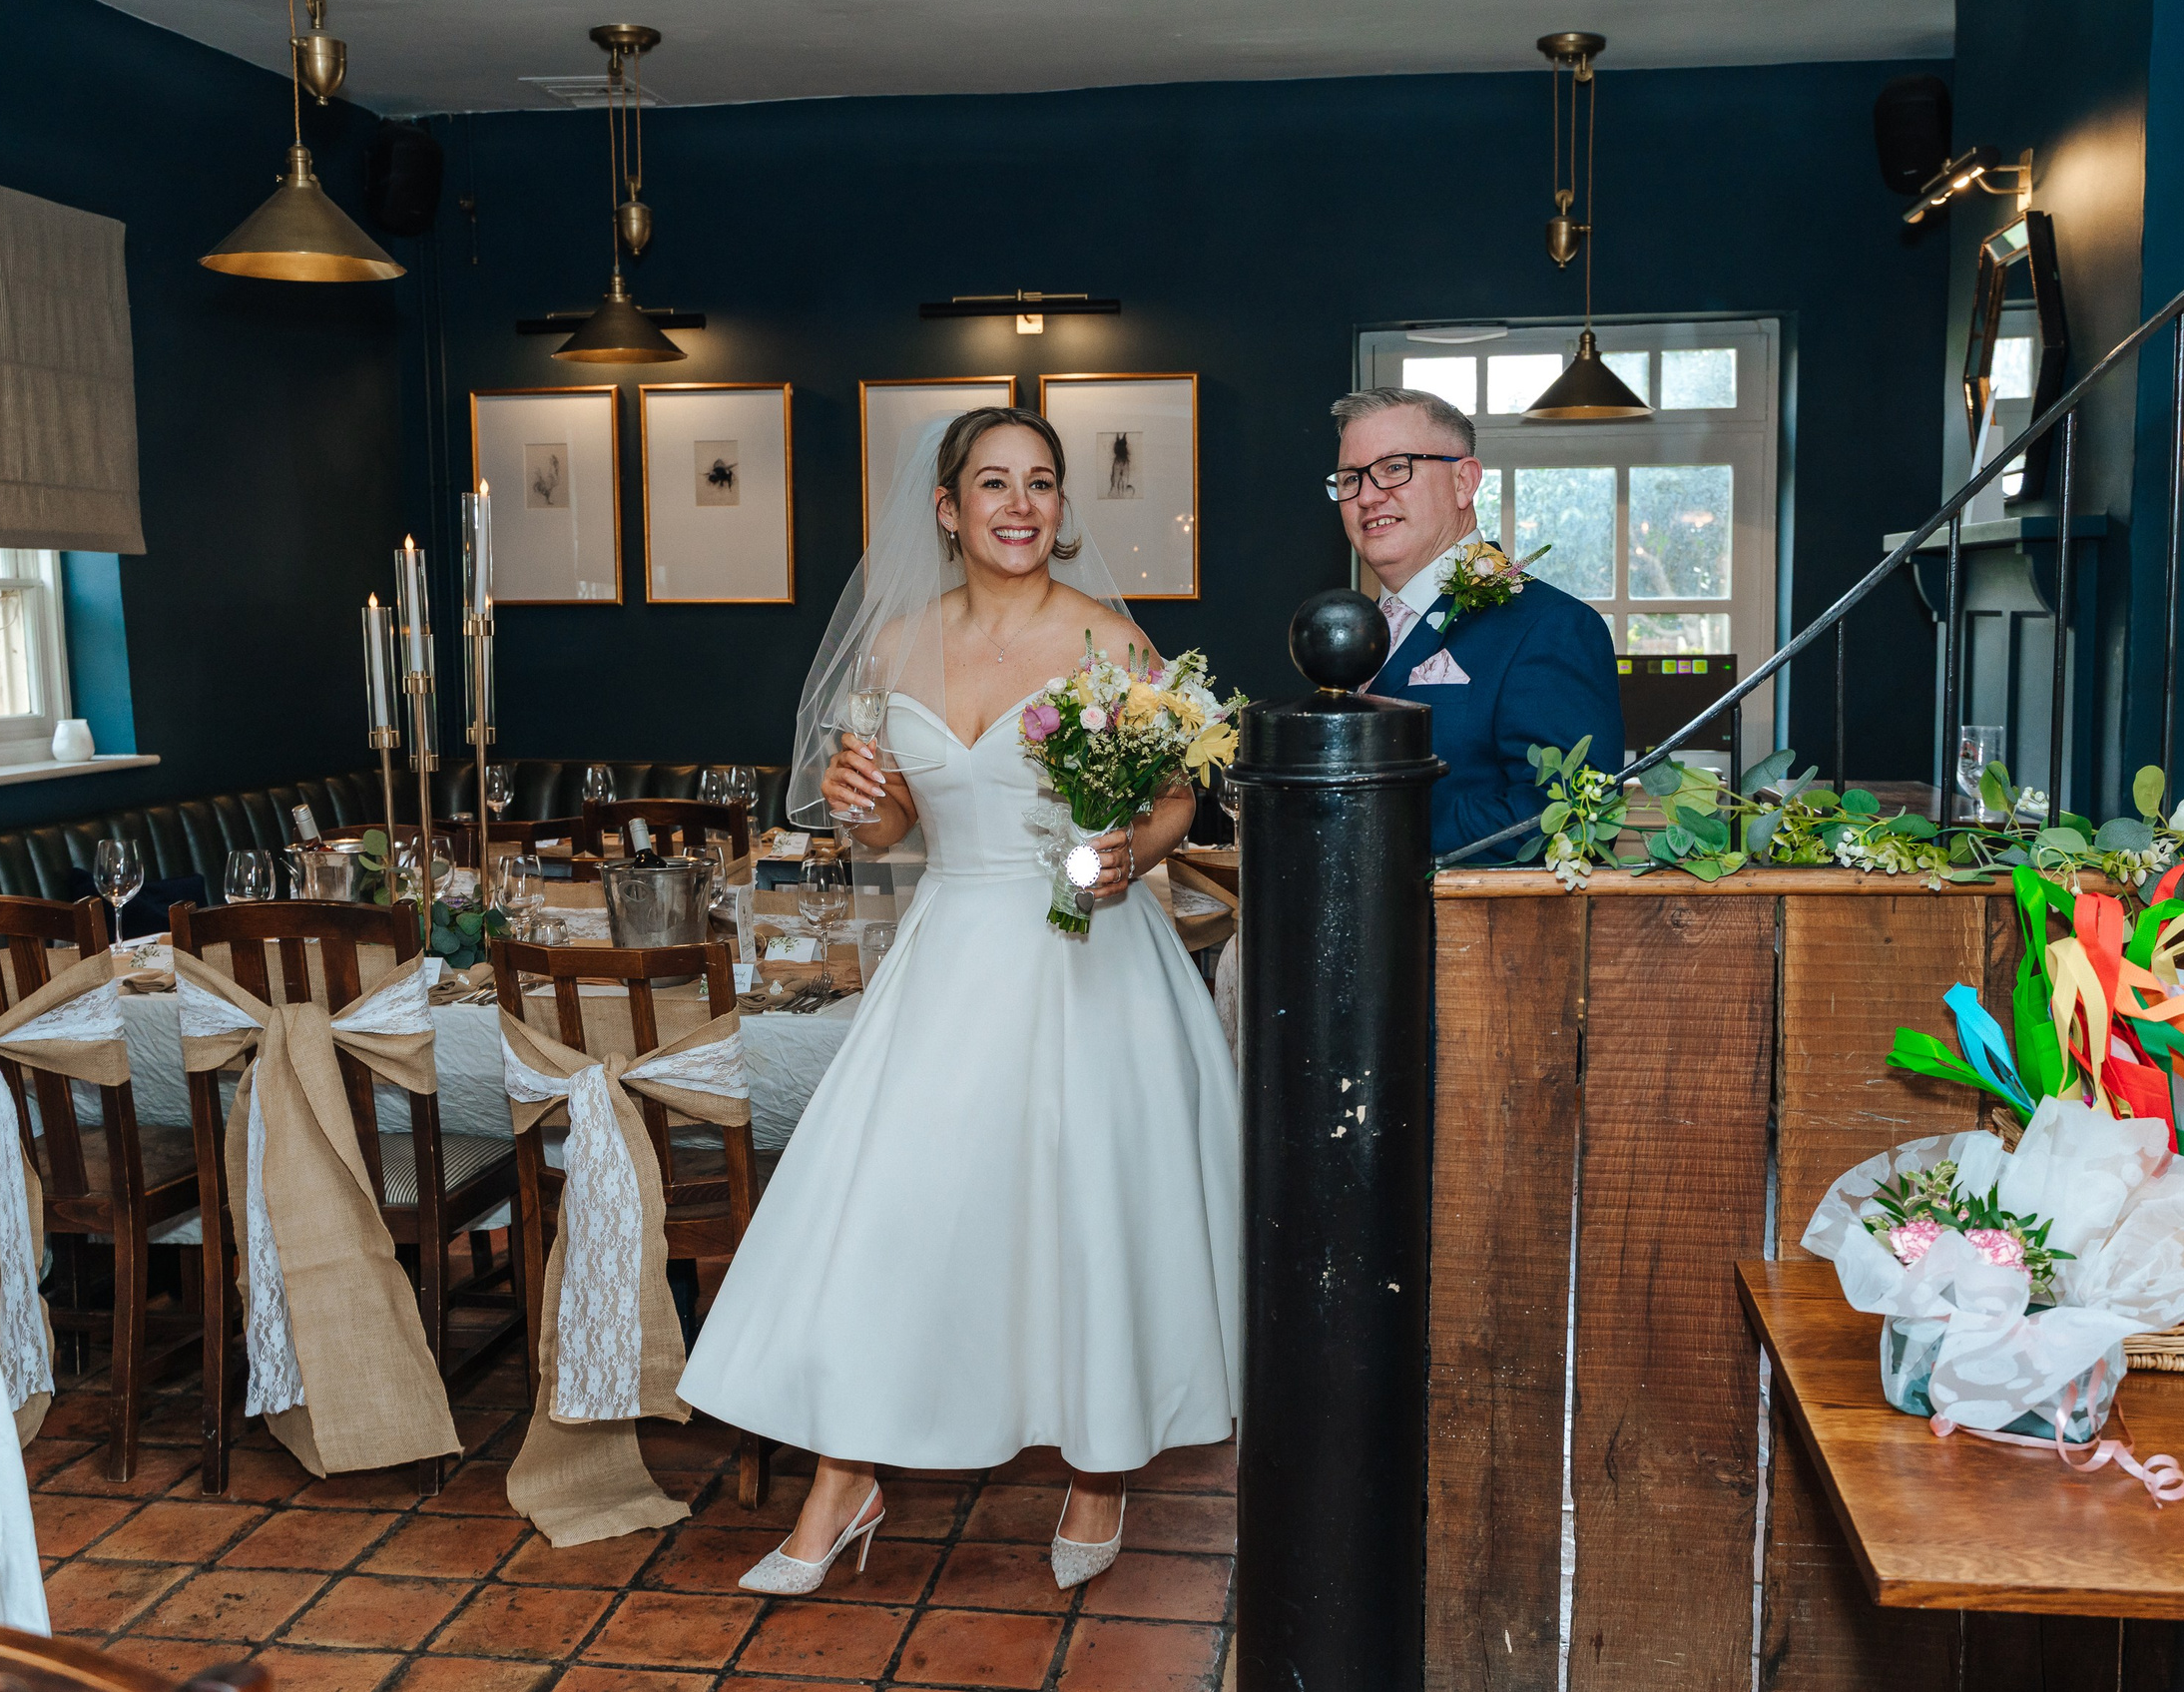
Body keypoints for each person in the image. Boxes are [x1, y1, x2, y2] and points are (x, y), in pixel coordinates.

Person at [679, 407, 1239, 1597]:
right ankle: (847, 1475)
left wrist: (1124, 858)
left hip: (1086, 956)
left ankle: (1100, 1463)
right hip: (950, 952)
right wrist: (853, 801)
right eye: (994, 484)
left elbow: (1179, 798)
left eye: (1041, 482)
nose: (1021, 504)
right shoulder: (895, 651)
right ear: (949, 510)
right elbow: (887, 827)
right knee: (895, 1211)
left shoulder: (1106, 642)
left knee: (1088, 1210)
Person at [1331, 386, 1625, 862]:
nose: (1367, 496)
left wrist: (1364, 830)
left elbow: (1570, 816)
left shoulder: (1551, 626)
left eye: (1394, 468)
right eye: (1350, 479)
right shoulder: (1352, 635)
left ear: (1464, 482)